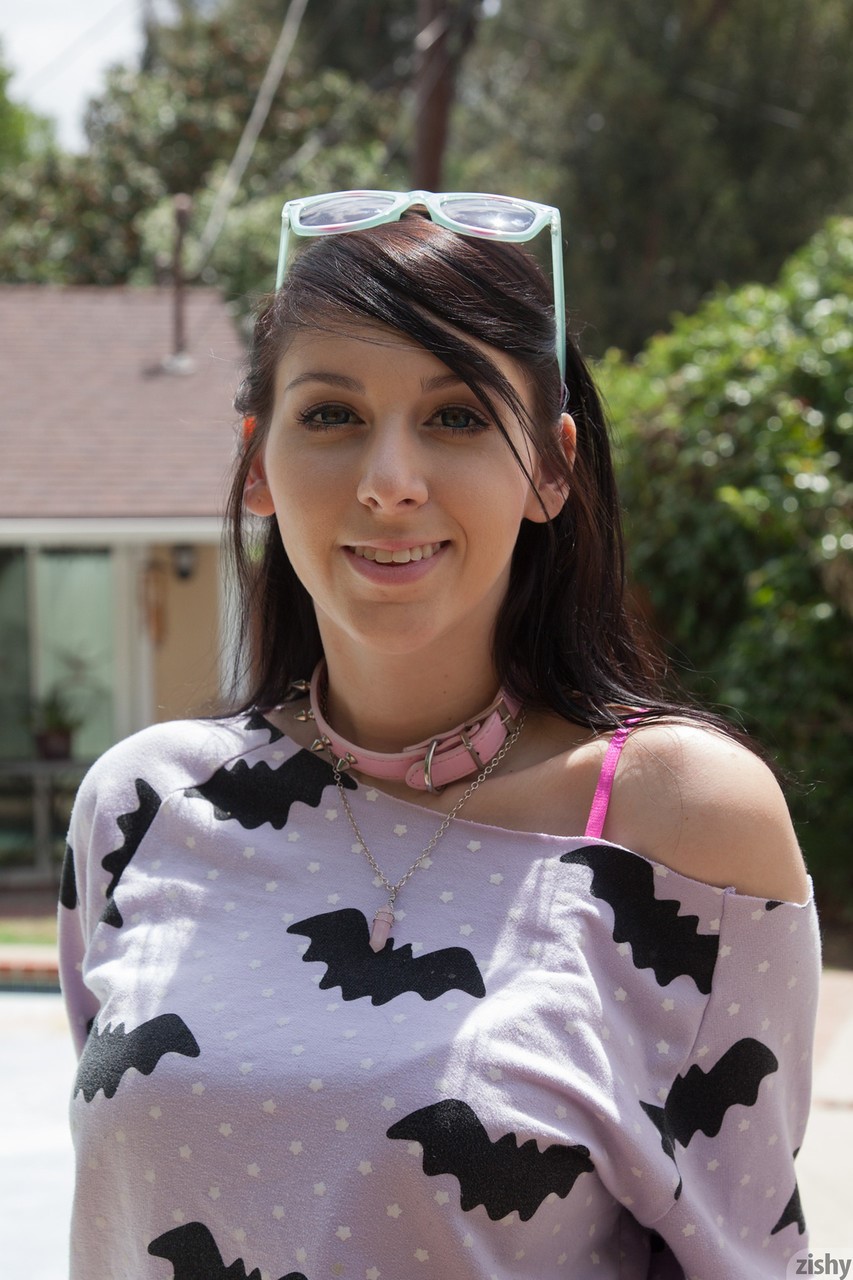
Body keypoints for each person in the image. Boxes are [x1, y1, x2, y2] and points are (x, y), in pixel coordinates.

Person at [60, 190, 819, 1280]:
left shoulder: (678, 823)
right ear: (257, 463)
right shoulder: (143, 807)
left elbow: (753, 1255)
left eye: (457, 416)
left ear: (550, 466)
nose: (389, 484)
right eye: (331, 415)